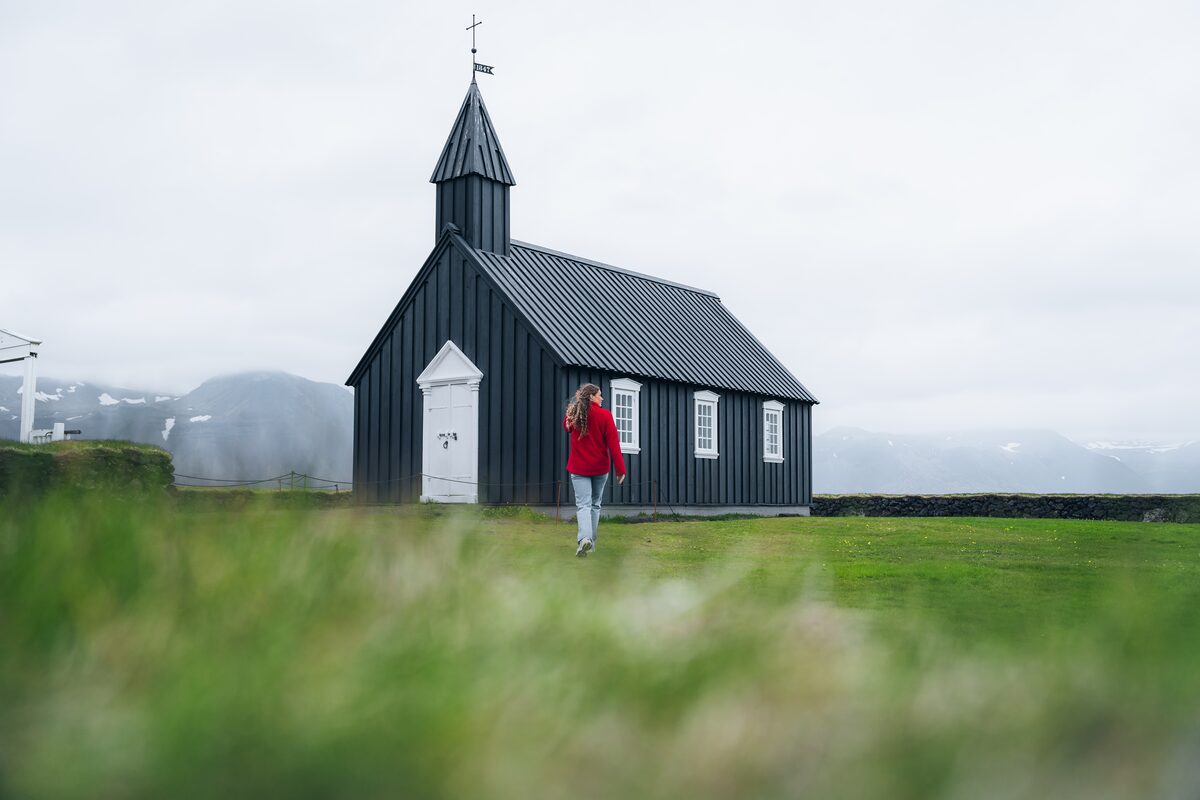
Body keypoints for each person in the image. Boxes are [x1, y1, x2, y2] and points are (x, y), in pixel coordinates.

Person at [563, 382, 626, 557]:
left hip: (579, 468)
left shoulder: (575, 414)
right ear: (591, 396)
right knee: (595, 505)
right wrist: (620, 469)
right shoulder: (605, 415)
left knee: (583, 505)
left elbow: (566, 427)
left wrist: (570, 417)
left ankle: (585, 540)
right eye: (599, 395)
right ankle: (590, 544)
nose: (602, 398)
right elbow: (613, 444)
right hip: (600, 469)